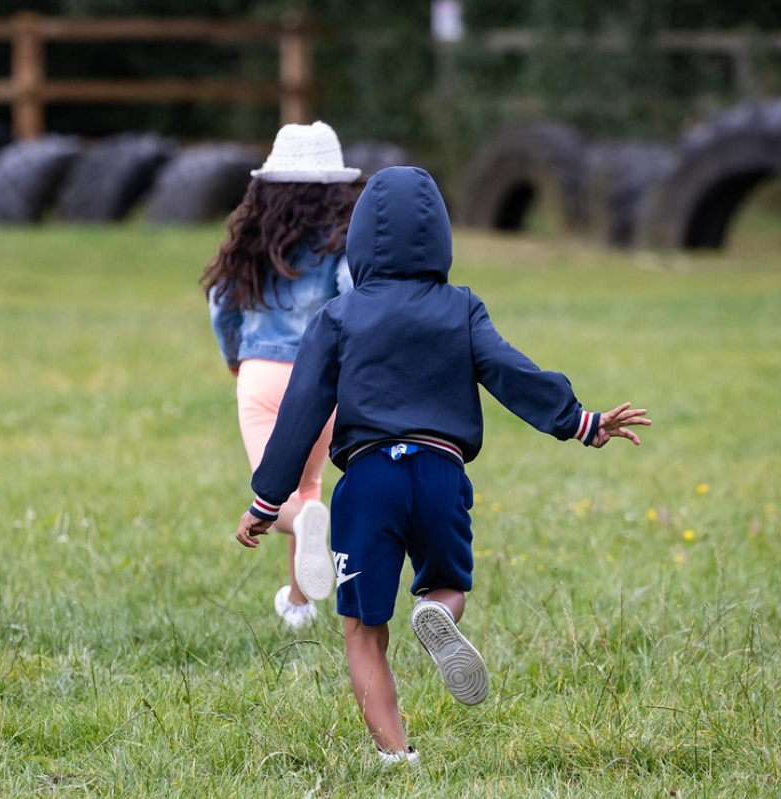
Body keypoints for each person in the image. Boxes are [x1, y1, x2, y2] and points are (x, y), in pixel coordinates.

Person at [233, 166, 650, 764]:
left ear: (359, 241)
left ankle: (397, 756)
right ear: (440, 237)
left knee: (363, 632)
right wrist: (580, 421)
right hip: (440, 473)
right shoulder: (461, 308)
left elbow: (300, 412)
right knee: (448, 582)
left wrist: (267, 500)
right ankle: (435, 612)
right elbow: (510, 371)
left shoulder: (339, 315)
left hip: (369, 480)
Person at [203, 121, 365, 629]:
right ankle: (298, 604)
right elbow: (353, 293)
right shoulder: (343, 240)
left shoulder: (253, 237)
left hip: (262, 376)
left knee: (279, 498)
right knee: (308, 487)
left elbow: (221, 303)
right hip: (322, 383)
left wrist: (235, 356)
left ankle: (303, 580)